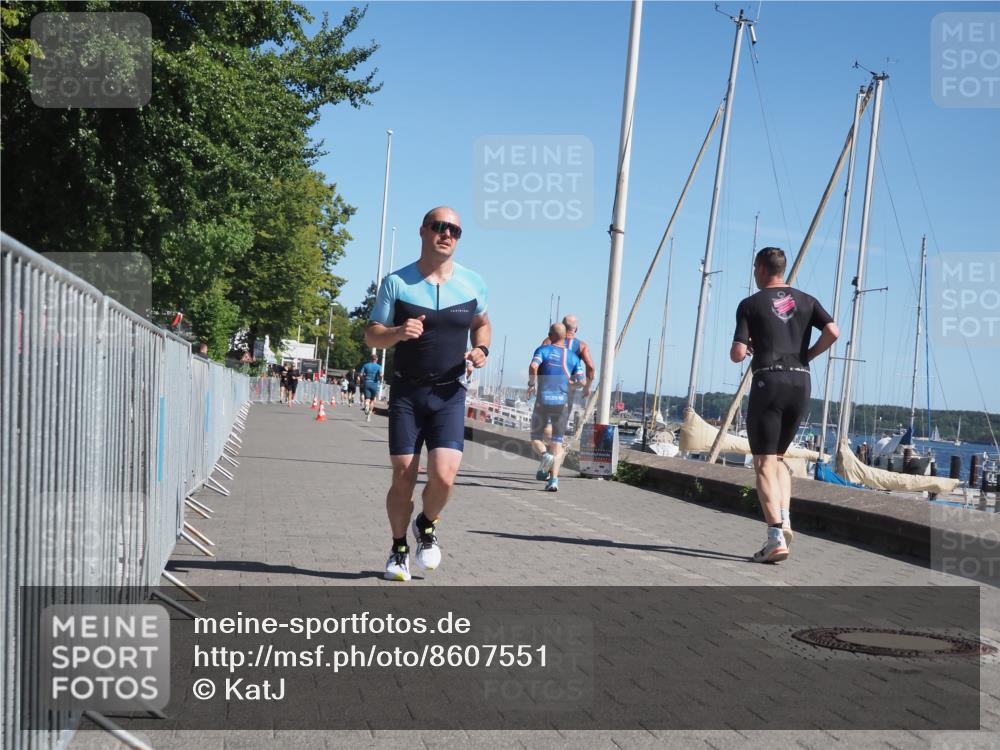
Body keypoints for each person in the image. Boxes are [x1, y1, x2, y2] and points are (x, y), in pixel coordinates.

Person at [365, 206, 490, 581]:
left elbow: (482, 323)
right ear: (423, 232)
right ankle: (399, 547)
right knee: (404, 476)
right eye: (439, 226)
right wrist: (398, 333)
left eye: (454, 229)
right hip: (407, 393)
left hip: (450, 394)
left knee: (445, 477)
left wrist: (482, 349)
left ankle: (427, 523)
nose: (447, 234)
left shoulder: (473, 283)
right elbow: (372, 334)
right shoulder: (396, 282)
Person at [730, 247, 839, 564]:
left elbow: (737, 354)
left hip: (769, 381)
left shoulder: (750, 304)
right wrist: (807, 355)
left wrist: (745, 346)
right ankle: (785, 519)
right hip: (801, 382)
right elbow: (833, 331)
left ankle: (775, 537)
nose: (754, 272)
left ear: (762, 269)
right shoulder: (807, 300)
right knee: (778, 459)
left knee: (763, 463)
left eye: (754, 268)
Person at [528, 322, 587, 492]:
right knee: (557, 443)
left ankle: (545, 456)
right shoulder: (573, 358)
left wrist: (531, 383)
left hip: (542, 401)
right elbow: (582, 381)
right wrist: (570, 386)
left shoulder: (543, 350)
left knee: (536, 438)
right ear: (565, 336)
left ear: (550, 335)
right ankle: (553, 481)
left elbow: (533, 366)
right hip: (561, 403)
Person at [359, 354, 383, 421]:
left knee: (367, 398)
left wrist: (363, 379)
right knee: (372, 400)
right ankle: (369, 415)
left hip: (367, 382)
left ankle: (366, 405)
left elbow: (361, 374)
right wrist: (380, 381)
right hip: (374, 384)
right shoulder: (379, 366)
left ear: (370, 359)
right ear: (377, 359)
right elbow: (381, 375)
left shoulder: (366, 365)